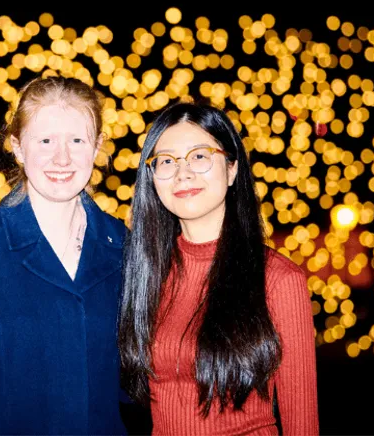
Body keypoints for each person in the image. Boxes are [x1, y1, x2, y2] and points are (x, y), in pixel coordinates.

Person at [0, 76, 128, 435]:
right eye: (46, 140)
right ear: (17, 147)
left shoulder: (122, 244)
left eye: (77, 141)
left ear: (97, 147)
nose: (62, 158)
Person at [118, 100, 319, 435]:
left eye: (199, 156)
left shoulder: (277, 278)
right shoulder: (145, 275)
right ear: (151, 178)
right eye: (166, 161)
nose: (183, 173)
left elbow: (303, 423)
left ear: (232, 168)